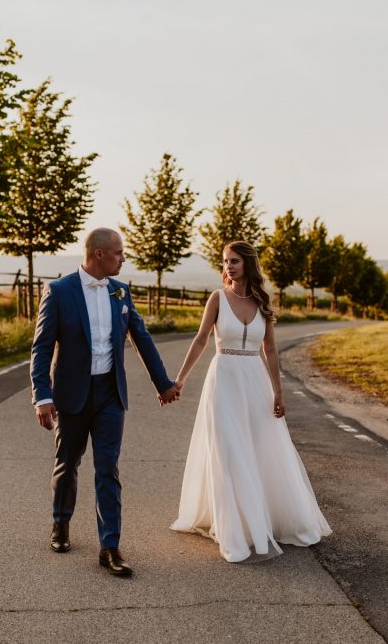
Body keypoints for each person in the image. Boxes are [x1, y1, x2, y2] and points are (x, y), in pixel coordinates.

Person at [31, 228, 180, 578]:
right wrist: (43, 396)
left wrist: (164, 384)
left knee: (108, 469)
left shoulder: (120, 291)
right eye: (118, 253)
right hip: (71, 394)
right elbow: (40, 349)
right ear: (98, 254)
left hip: (111, 394)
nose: (123, 259)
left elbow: (141, 339)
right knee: (67, 463)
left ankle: (109, 547)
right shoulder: (59, 291)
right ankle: (60, 523)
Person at [170, 241, 331, 562]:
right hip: (224, 380)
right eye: (225, 261)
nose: (228, 266)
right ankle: (234, 525)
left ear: (247, 265)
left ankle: (261, 517)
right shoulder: (217, 299)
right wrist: (180, 379)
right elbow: (201, 339)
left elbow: (270, 350)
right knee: (228, 449)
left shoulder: (262, 301)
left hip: (255, 383)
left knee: (257, 448)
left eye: (234, 261)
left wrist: (278, 392)